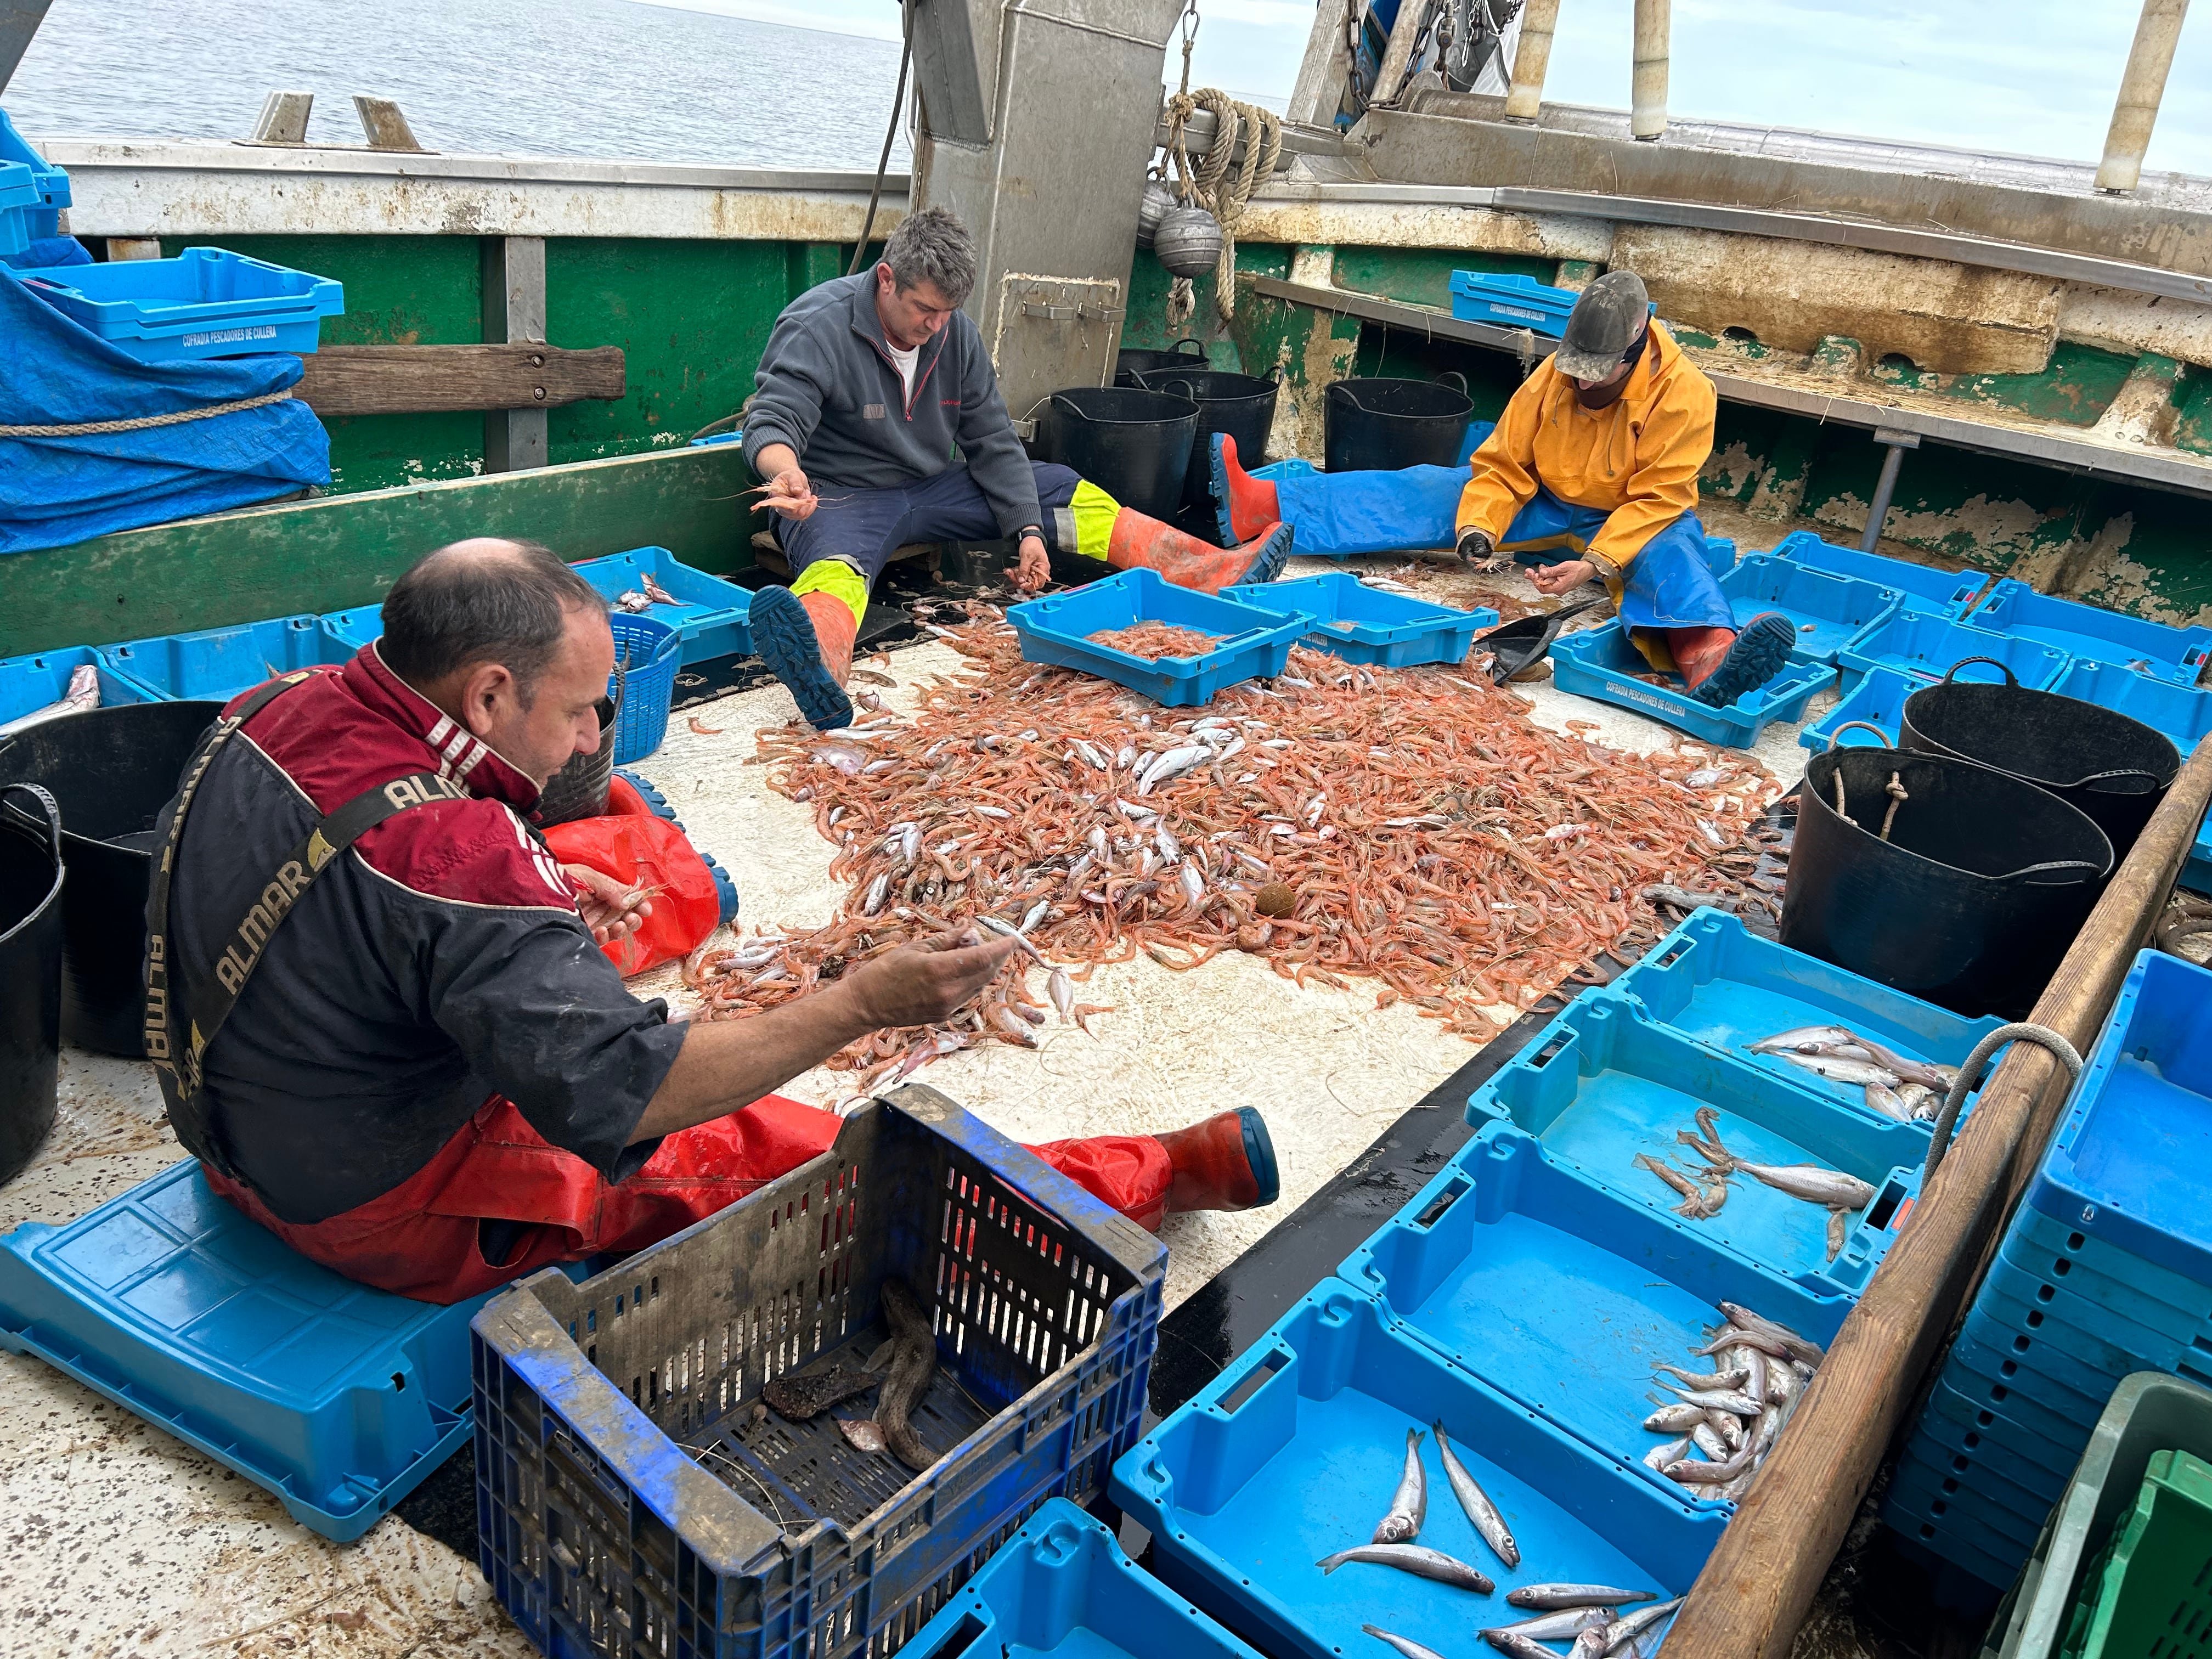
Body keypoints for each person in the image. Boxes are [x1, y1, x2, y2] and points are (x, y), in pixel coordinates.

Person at [145, 539, 1279, 1304]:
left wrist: (529, 880)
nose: (595, 739)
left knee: (596, 850)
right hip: (363, 1203)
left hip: (238, 1122)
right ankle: (1132, 1179)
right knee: (776, 1157)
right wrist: (858, 1001)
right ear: (488, 694)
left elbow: (346, 890)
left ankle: (679, 889)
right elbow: (626, 1095)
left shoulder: (269, 704)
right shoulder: (457, 860)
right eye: (586, 710)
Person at [740, 206, 1294, 731]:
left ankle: (1208, 568)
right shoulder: (818, 324)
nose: (936, 326)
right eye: (924, 310)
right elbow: (771, 418)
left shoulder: (956, 335)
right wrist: (786, 472)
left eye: (947, 313)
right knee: (837, 565)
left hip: (933, 487)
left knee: (1058, 488)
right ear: (886, 279)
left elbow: (993, 440)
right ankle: (818, 660)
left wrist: (1028, 529)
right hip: (840, 494)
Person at [1208, 271, 1796, 708]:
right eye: (1577, 367)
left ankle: (1707, 656)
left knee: (1675, 555)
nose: (1582, 380)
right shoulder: (1554, 374)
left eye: (1598, 371)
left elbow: (1661, 496)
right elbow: (1505, 464)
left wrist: (1593, 565)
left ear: (1637, 343)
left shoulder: (1687, 391)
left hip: (1629, 518)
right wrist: (1477, 530)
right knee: (1428, 487)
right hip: (1542, 499)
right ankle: (1263, 505)